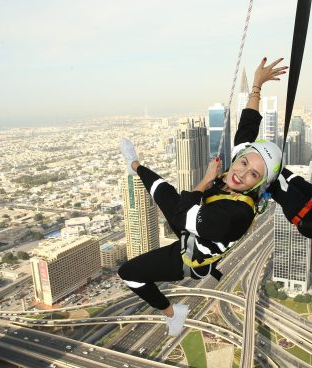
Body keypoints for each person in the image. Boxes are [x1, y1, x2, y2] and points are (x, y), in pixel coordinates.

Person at [118, 57, 288, 336]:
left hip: (191, 255)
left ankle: (173, 313)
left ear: (258, 184)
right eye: (244, 163)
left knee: (129, 273)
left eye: (253, 175)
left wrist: (206, 180)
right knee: (164, 191)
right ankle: (134, 164)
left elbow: (181, 214)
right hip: (196, 225)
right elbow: (247, 126)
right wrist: (257, 85)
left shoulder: (237, 214)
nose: (242, 173)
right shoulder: (240, 166)